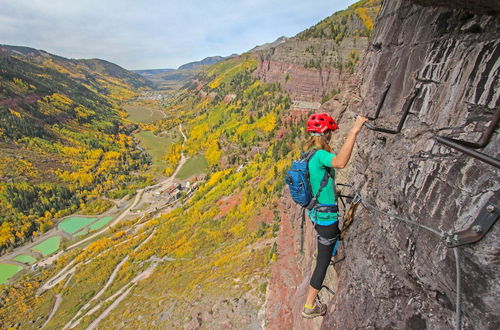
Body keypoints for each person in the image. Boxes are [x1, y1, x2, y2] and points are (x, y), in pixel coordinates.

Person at [302, 113, 368, 319]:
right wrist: (355, 129)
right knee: (322, 263)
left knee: (327, 250)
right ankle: (309, 306)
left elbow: (317, 182)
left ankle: (332, 250)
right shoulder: (321, 155)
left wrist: (332, 193)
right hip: (326, 219)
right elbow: (340, 162)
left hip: (316, 213)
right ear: (326, 134)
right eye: (330, 133)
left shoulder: (309, 155)